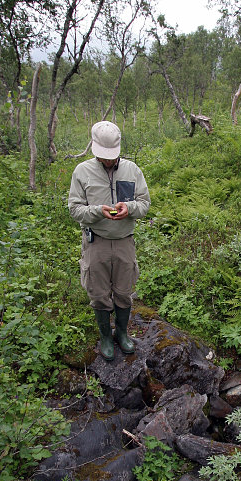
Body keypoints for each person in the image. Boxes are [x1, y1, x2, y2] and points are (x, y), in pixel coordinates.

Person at [68, 120, 151, 360]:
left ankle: (121, 334)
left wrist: (130, 208)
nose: (108, 161)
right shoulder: (82, 172)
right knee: (98, 292)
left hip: (125, 241)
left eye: (111, 156)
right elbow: (74, 209)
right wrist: (96, 211)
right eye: (104, 157)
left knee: (124, 292)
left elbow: (144, 204)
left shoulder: (132, 170)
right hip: (97, 243)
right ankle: (106, 336)